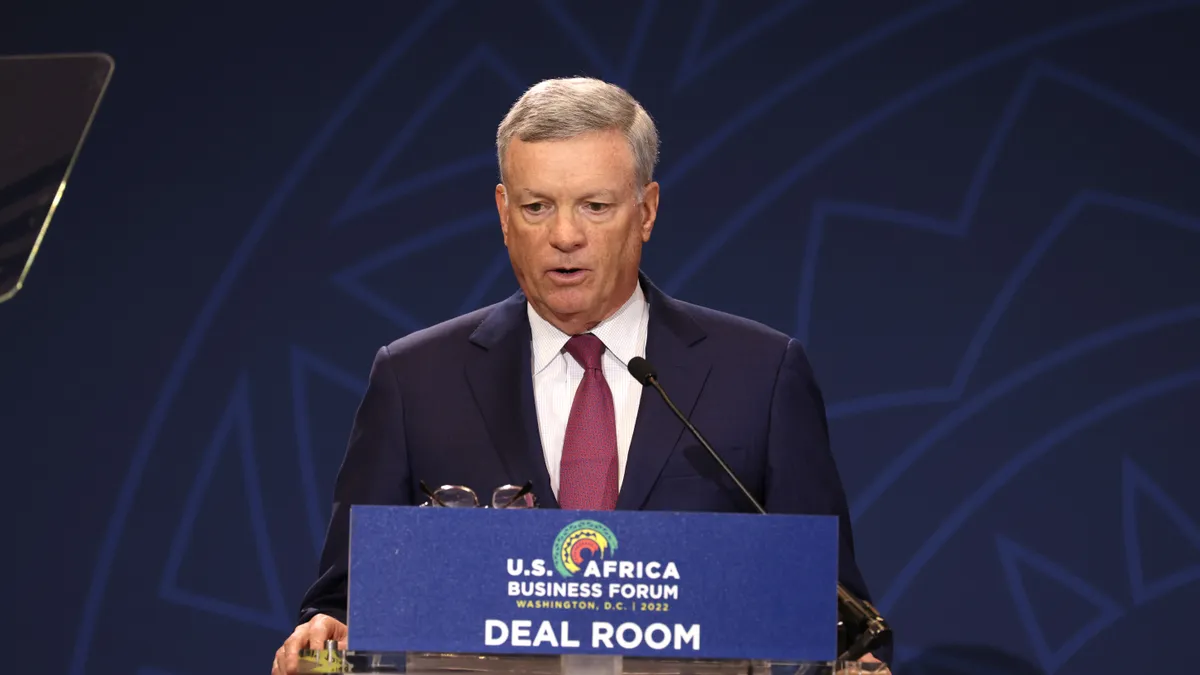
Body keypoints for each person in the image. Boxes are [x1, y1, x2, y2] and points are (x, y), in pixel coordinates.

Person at [272, 77, 888, 674]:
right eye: (537, 207)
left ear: (645, 211)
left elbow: (835, 616)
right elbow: (345, 602)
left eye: (595, 206)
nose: (565, 236)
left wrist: (857, 666)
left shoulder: (760, 374)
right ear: (503, 212)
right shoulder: (414, 379)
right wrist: (324, 632)